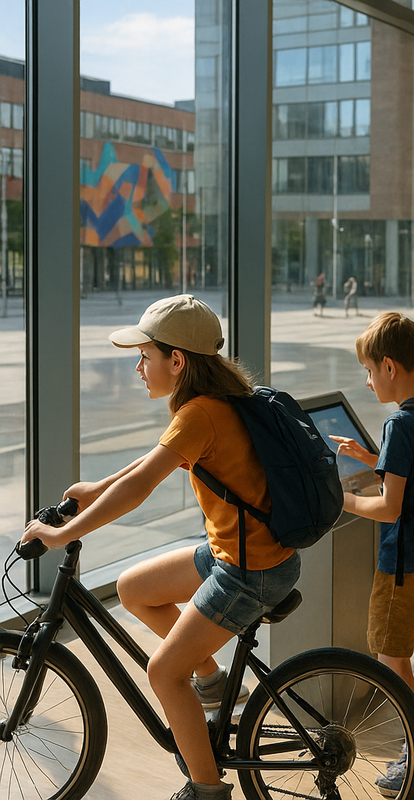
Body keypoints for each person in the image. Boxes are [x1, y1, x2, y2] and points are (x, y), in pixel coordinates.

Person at [21, 295, 301, 800]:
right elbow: (156, 462)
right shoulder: (219, 402)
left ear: (178, 361)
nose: (138, 367)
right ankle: (213, 684)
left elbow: (140, 487)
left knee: (163, 672)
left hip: (249, 570)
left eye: (145, 356)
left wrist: (65, 533)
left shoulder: (200, 415)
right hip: (241, 553)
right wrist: (95, 487)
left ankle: (207, 789)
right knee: (133, 587)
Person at [330, 312, 414, 791]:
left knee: (391, 659)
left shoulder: (399, 424)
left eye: (368, 371)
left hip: (403, 563)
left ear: (388, 366)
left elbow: (389, 509)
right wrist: (372, 459)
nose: (366, 382)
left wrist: (339, 497)